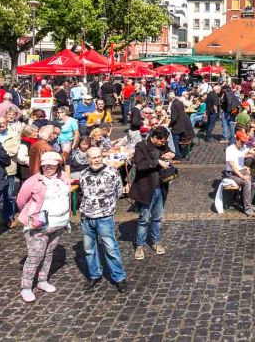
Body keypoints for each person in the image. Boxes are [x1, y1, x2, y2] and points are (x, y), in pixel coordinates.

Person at [16, 150, 71, 302]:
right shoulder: (33, 181)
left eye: (51, 165)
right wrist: (31, 215)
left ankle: (42, 280)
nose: (48, 167)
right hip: (38, 227)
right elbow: (21, 201)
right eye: (45, 164)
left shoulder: (64, 177)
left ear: (58, 165)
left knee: (48, 253)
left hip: (58, 224)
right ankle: (26, 287)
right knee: (35, 256)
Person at [78, 146, 127, 293]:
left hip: (105, 216)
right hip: (87, 216)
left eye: (99, 156)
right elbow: (83, 191)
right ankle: (94, 274)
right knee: (89, 249)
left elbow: (119, 192)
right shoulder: (83, 174)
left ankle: (119, 277)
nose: (97, 159)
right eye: (93, 157)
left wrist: (107, 205)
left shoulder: (112, 172)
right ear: (88, 159)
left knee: (111, 248)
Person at [131, 126, 177, 256]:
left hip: (161, 187)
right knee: (144, 219)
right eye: (162, 141)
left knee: (157, 218)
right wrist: (157, 162)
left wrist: (171, 154)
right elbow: (140, 165)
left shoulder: (163, 144)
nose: (164, 143)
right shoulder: (141, 146)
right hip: (146, 187)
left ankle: (156, 241)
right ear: (154, 138)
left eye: (165, 141)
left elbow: (170, 152)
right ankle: (140, 245)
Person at [222, 128, 255, 217]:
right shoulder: (230, 149)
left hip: (241, 170)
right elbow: (233, 167)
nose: (243, 144)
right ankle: (248, 208)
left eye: (244, 142)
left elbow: (249, 153)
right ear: (237, 140)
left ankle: (245, 202)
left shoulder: (243, 147)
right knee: (247, 182)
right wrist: (242, 176)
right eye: (242, 142)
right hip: (231, 174)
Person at [168, 92, 196, 158]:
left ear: (170, 98)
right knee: (178, 141)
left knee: (175, 142)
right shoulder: (180, 102)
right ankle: (180, 153)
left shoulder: (174, 104)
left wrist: (170, 124)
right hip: (183, 125)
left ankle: (178, 156)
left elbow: (174, 118)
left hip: (177, 127)